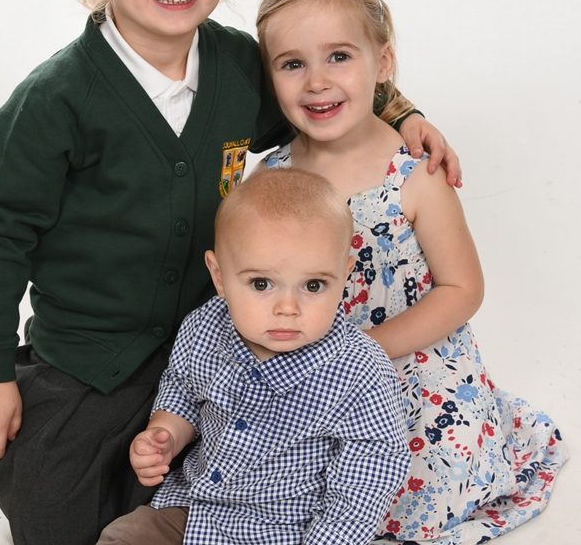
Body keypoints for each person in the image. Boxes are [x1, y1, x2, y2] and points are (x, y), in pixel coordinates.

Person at [0, 0, 456, 545]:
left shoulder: (235, 66)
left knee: (241, 486)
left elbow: (318, 95)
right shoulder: (54, 100)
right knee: (56, 525)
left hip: (213, 343)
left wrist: (402, 113)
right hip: (90, 352)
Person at [257, 0, 569, 543]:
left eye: (339, 56)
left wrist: (365, 351)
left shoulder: (414, 173)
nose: (317, 81)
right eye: (293, 64)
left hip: (409, 362)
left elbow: (462, 288)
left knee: (420, 475)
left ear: (383, 63)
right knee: (273, 465)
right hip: (312, 364)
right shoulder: (274, 178)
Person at [98, 168, 411, 545]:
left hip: (286, 531)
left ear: (343, 277)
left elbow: (365, 485)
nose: (288, 307)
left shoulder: (360, 370)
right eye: (261, 284)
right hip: (195, 511)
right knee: (127, 535)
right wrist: (164, 435)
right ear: (219, 276)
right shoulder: (205, 326)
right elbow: (182, 391)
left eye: (313, 285)